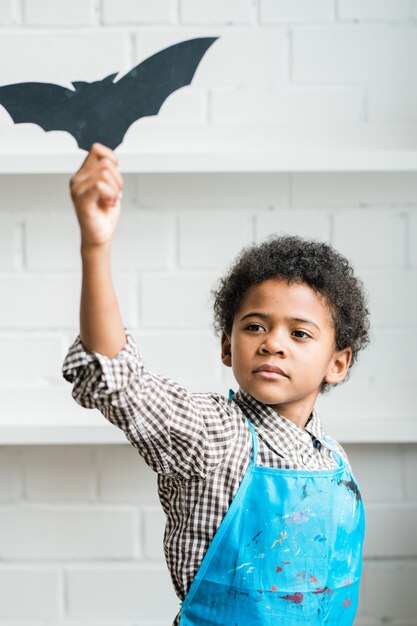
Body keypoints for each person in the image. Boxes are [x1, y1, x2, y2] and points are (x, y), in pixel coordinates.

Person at [63, 142, 369, 625]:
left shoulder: (332, 457)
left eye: (300, 332)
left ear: (338, 363)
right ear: (227, 348)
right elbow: (117, 377)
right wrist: (95, 246)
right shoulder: (212, 434)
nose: (273, 343)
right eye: (254, 326)